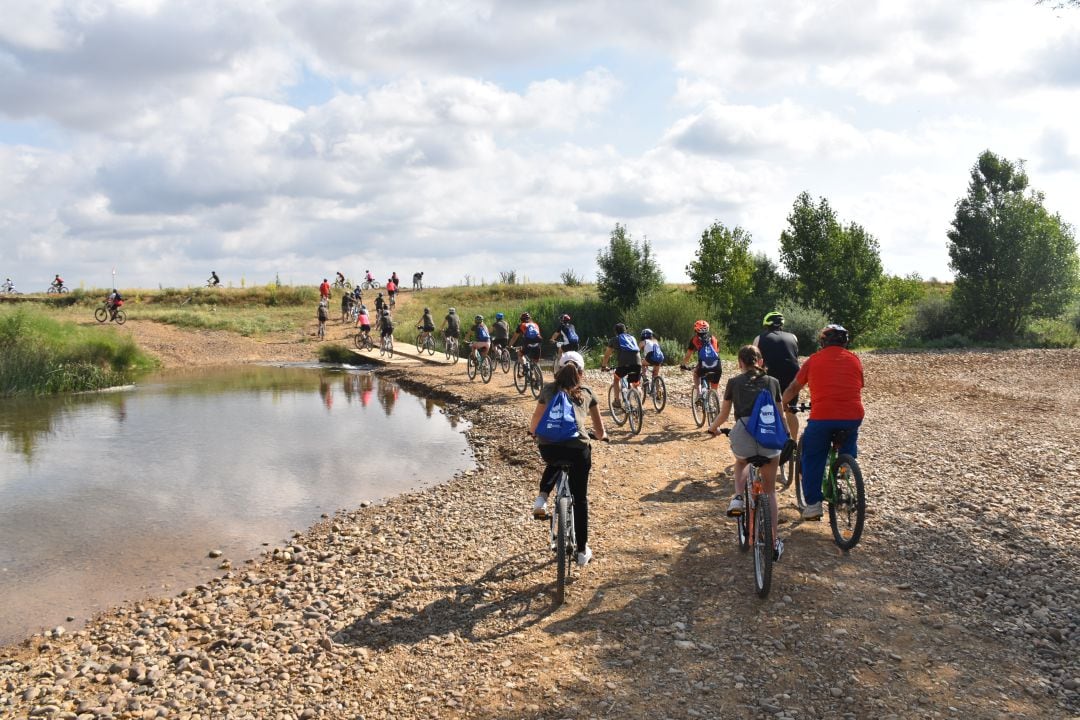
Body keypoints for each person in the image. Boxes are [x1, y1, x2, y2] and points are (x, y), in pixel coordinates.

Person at [708, 345, 793, 561]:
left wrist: (713, 428)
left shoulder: (734, 382)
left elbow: (724, 413)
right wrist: (788, 435)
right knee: (770, 491)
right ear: (760, 361)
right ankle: (773, 541)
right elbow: (781, 414)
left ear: (740, 362)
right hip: (768, 437)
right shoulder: (772, 382)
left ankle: (738, 497)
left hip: (744, 435)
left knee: (741, 462)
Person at [528, 351, 607, 566]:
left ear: (558, 370)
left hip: (549, 448)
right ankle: (582, 551)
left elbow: (536, 419)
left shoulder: (547, 390)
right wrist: (602, 436)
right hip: (577, 450)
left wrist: (533, 432)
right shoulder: (587, 392)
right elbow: (599, 431)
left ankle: (541, 499)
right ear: (581, 373)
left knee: (554, 459)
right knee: (580, 499)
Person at [781, 324, 864, 520]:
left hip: (823, 417)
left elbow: (794, 388)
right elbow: (858, 384)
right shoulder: (854, 359)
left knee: (812, 456)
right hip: (853, 416)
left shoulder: (814, 360)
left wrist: (782, 403)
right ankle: (846, 464)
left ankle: (814, 505)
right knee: (849, 437)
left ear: (823, 342)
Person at [754, 311, 802, 441]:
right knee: (791, 410)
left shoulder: (759, 338)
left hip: (771, 376)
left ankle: (772, 441)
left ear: (766, 324)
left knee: (770, 409)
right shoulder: (793, 337)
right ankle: (794, 442)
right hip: (793, 375)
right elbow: (795, 356)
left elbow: (755, 361)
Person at [601, 323, 642, 406]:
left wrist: (603, 366)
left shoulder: (614, 340)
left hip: (624, 363)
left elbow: (606, 355)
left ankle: (617, 401)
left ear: (616, 332)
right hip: (637, 362)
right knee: (636, 384)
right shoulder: (632, 338)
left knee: (616, 379)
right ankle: (639, 406)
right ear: (625, 330)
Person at [679, 320, 722, 393]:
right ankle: (715, 400)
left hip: (703, 366)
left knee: (696, 375)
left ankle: (699, 394)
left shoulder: (694, 340)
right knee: (714, 389)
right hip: (717, 365)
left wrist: (683, 365)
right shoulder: (714, 339)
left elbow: (688, 356)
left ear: (696, 330)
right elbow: (717, 352)